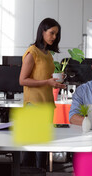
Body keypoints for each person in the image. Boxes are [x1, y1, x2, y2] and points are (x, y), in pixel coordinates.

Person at [19, 17, 66, 170]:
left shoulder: (47, 53)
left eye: (56, 34)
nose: (54, 37)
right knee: (33, 151)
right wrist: (47, 82)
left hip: (46, 105)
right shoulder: (32, 53)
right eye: (52, 33)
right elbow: (22, 80)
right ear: (42, 31)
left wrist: (56, 80)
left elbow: (44, 77)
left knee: (42, 150)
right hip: (34, 106)